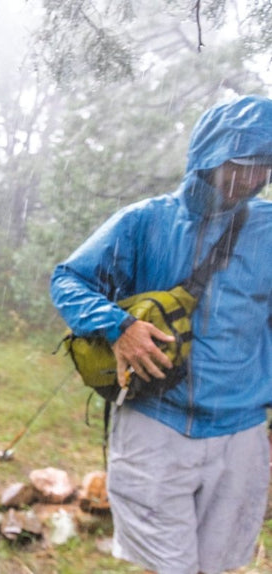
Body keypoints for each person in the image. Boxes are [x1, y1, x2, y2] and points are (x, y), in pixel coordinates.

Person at [51, 95, 272, 574]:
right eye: (242, 165)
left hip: (242, 431)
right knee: (171, 567)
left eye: (264, 167)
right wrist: (120, 326)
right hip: (156, 421)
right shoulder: (145, 222)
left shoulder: (268, 231)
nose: (253, 180)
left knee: (217, 567)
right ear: (209, 157)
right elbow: (67, 280)